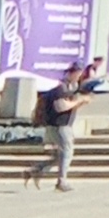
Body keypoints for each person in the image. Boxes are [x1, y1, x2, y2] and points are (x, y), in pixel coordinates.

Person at [32, 57, 99, 190]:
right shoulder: (61, 88)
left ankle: (37, 170)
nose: (80, 75)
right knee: (67, 152)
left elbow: (70, 107)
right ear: (73, 72)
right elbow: (60, 107)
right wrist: (79, 101)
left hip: (62, 125)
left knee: (61, 154)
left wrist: (82, 102)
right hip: (59, 126)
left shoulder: (72, 87)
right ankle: (61, 181)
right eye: (78, 72)